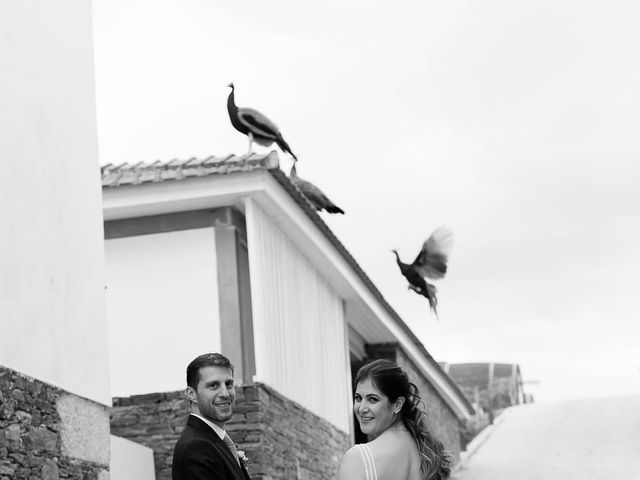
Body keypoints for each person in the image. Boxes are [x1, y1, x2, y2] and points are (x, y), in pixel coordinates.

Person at [338, 359, 451, 480]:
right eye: (358, 398)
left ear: (398, 404)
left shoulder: (358, 459)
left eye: (372, 399)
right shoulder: (426, 457)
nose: (361, 409)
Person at [172, 353, 251, 480]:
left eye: (229, 384)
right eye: (213, 385)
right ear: (191, 394)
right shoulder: (196, 448)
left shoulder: (215, 442)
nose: (225, 393)